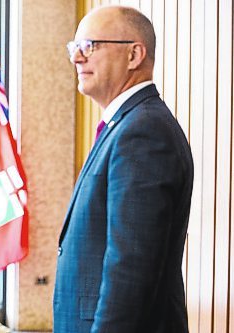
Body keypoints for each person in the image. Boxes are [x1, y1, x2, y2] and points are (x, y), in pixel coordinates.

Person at [54, 5, 193, 333]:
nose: (77, 58)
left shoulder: (143, 133)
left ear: (134, 55)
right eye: (74, 48)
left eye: (90, 46)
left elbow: (131, 269)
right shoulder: (125, 125)